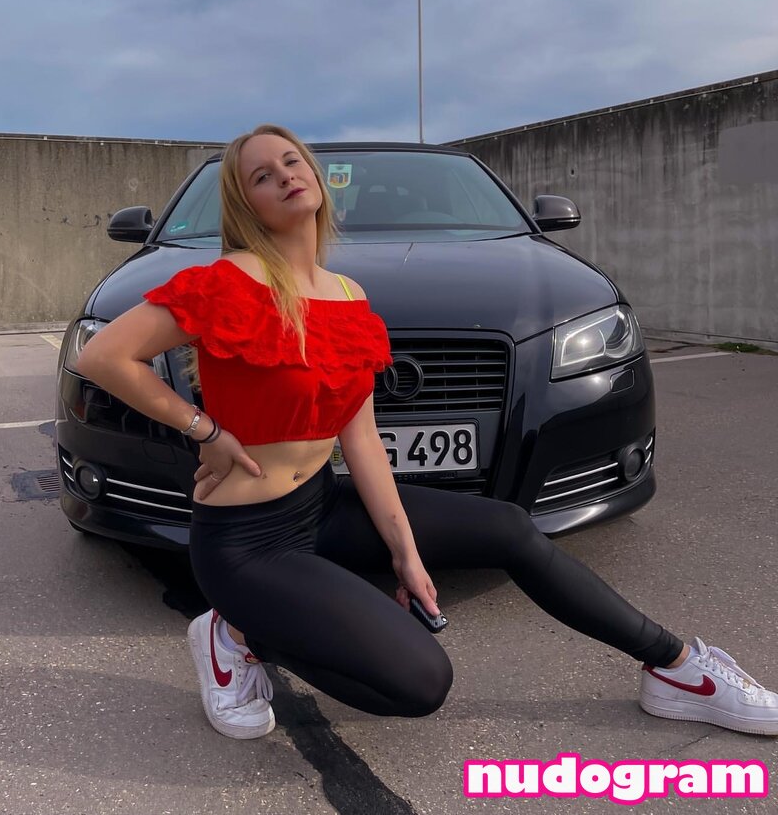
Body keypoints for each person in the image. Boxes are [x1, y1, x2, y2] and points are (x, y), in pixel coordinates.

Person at [76, 123, 778, 742]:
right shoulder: (228, 281)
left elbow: (360, 441)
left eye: (291, 161)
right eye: (262, 175)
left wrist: (406, 554)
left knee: (511, 529)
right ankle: (234, 633)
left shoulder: (347, 296)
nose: (285, 176)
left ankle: (678, 668)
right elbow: (104, 356)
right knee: (420, 684)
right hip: (245, 544)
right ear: (246, 204)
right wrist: (203, 428)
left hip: (320, 506)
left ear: (314, 178)